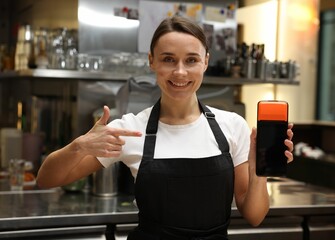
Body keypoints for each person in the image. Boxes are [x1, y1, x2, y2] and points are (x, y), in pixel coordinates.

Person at [37, 16, 294, 240]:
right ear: (152, 62)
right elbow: (47, 179)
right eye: (168, 59)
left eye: (191, 60)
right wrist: (78, 146)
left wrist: (257, 168)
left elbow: (254, 216)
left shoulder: (232, 126)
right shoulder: (129, 129)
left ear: (205, 62)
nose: (180, 72)